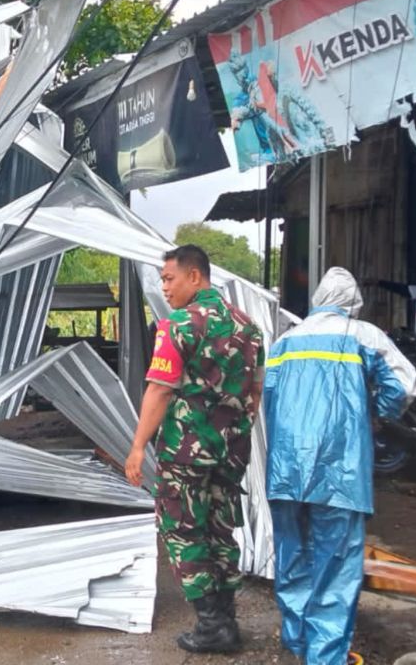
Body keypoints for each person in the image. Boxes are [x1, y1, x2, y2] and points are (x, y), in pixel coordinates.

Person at [263, 267, 416, 665]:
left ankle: (298, 640)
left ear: (318, 300)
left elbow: (267, 399)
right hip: (340, 469)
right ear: (352, 305)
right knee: (335, 565)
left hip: (286, 468)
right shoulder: (362, 335)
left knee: (292, 555)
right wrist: (377, 414)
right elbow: (403, 384)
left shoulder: (284, 342)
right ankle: (326, 656)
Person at [124, 245, 264, 654]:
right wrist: (232, 433)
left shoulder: (178, 325)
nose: (164, 287)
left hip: (185, 453)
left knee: (183, 530)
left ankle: (210, 626)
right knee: (220, 530)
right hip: (231, 451)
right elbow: (255, 391)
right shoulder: (248, 327)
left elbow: (160, 388)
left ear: (195, 277)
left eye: (169, 279)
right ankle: (227, 619)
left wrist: (137, 447)